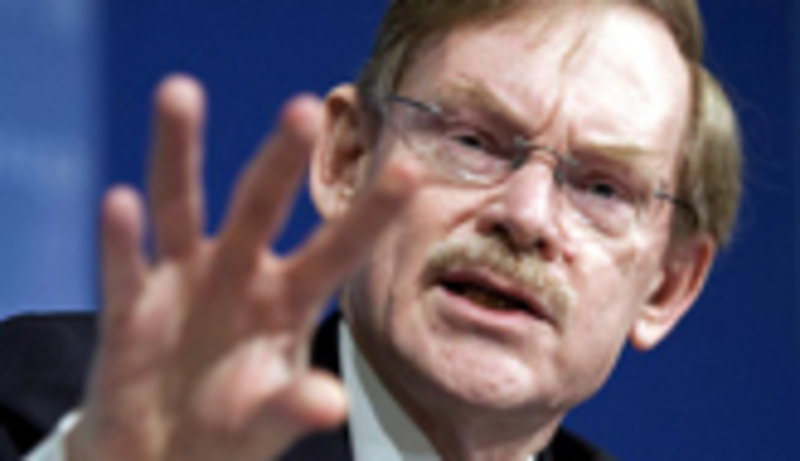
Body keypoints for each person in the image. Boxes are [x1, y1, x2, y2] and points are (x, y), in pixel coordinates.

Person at [0, 0, 742, 459]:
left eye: (603, 187)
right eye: (474, 142)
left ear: (668, 286)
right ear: (349, 160)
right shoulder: (58, 401)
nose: (525, 216)